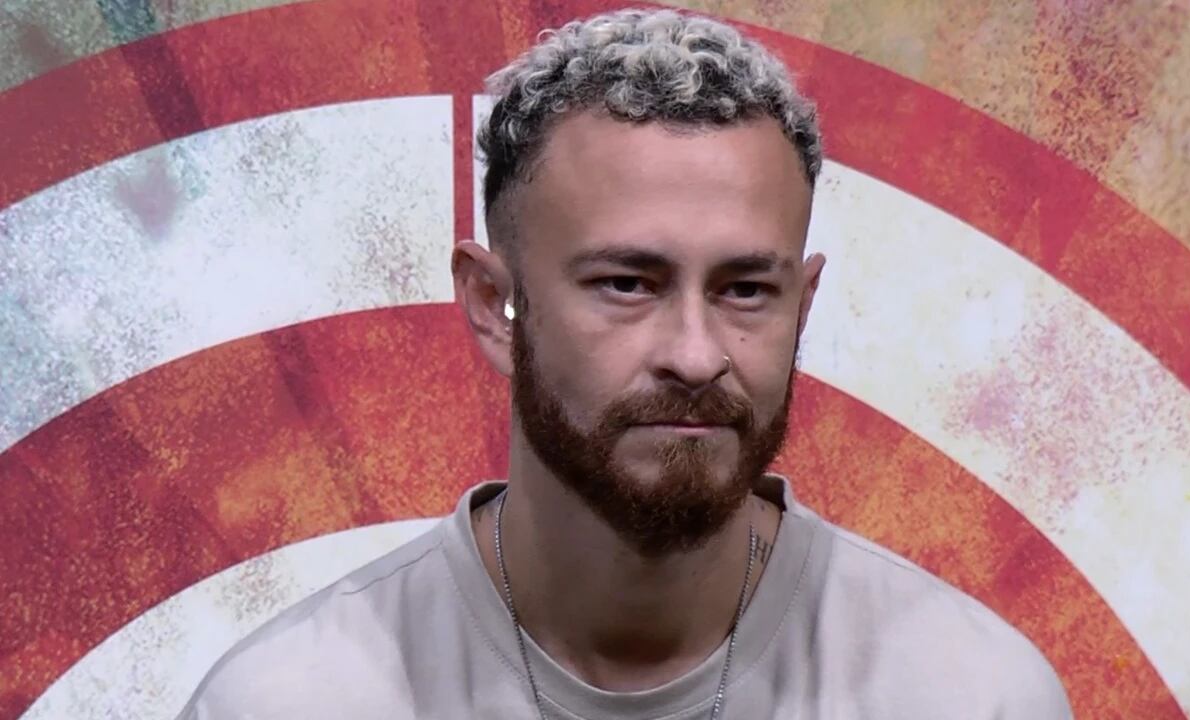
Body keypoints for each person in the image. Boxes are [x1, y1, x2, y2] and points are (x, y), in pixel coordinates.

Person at [178, 8, 1073, 719]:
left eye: (745, 290)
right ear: (492, 304)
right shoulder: (291, 699)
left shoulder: (968, 694)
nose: (695, 354)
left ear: (803, 305)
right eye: (627, 284)